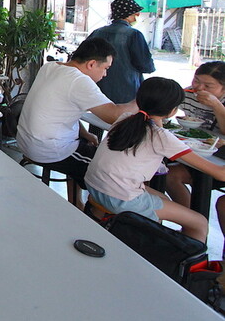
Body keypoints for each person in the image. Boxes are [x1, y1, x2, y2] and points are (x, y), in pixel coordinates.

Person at [85, 77, 225, 242]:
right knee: (199, 223)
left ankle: (152, 238)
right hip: (120, 199)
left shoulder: (125, 118)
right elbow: (220, 174)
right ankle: (182, 256)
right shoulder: (161, 137)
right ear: (172, 111)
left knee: (163, 199)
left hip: (95, 186)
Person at [16, 37, 137, 186]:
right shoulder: (79, 80)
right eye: (106, 68)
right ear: (91, 64)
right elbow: (115, 115)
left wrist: (85, 134)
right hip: (48, 150)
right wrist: (142, 99)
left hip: (25, 142)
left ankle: (77, 198)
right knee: (108, 169)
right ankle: (94, 200)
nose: (105, 74)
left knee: (89, 147)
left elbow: (61, 114)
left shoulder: (50, 67)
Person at [165, 61, 225, 208]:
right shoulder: (189, 94)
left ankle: (195, 219)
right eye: (196, 81)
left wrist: (217, 106)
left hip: (219, 159)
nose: (199, 88)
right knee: (168, 175)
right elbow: (162, 108)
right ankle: (189, 216)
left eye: (208, 86)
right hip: (195, 153)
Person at [87, 0, 155, 103]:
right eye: (135, 13)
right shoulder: (134, 35)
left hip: (97, 90)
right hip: (126, 93)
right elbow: (146, 66)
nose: (137, 15)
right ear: (128, 14)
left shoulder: (97, 32)